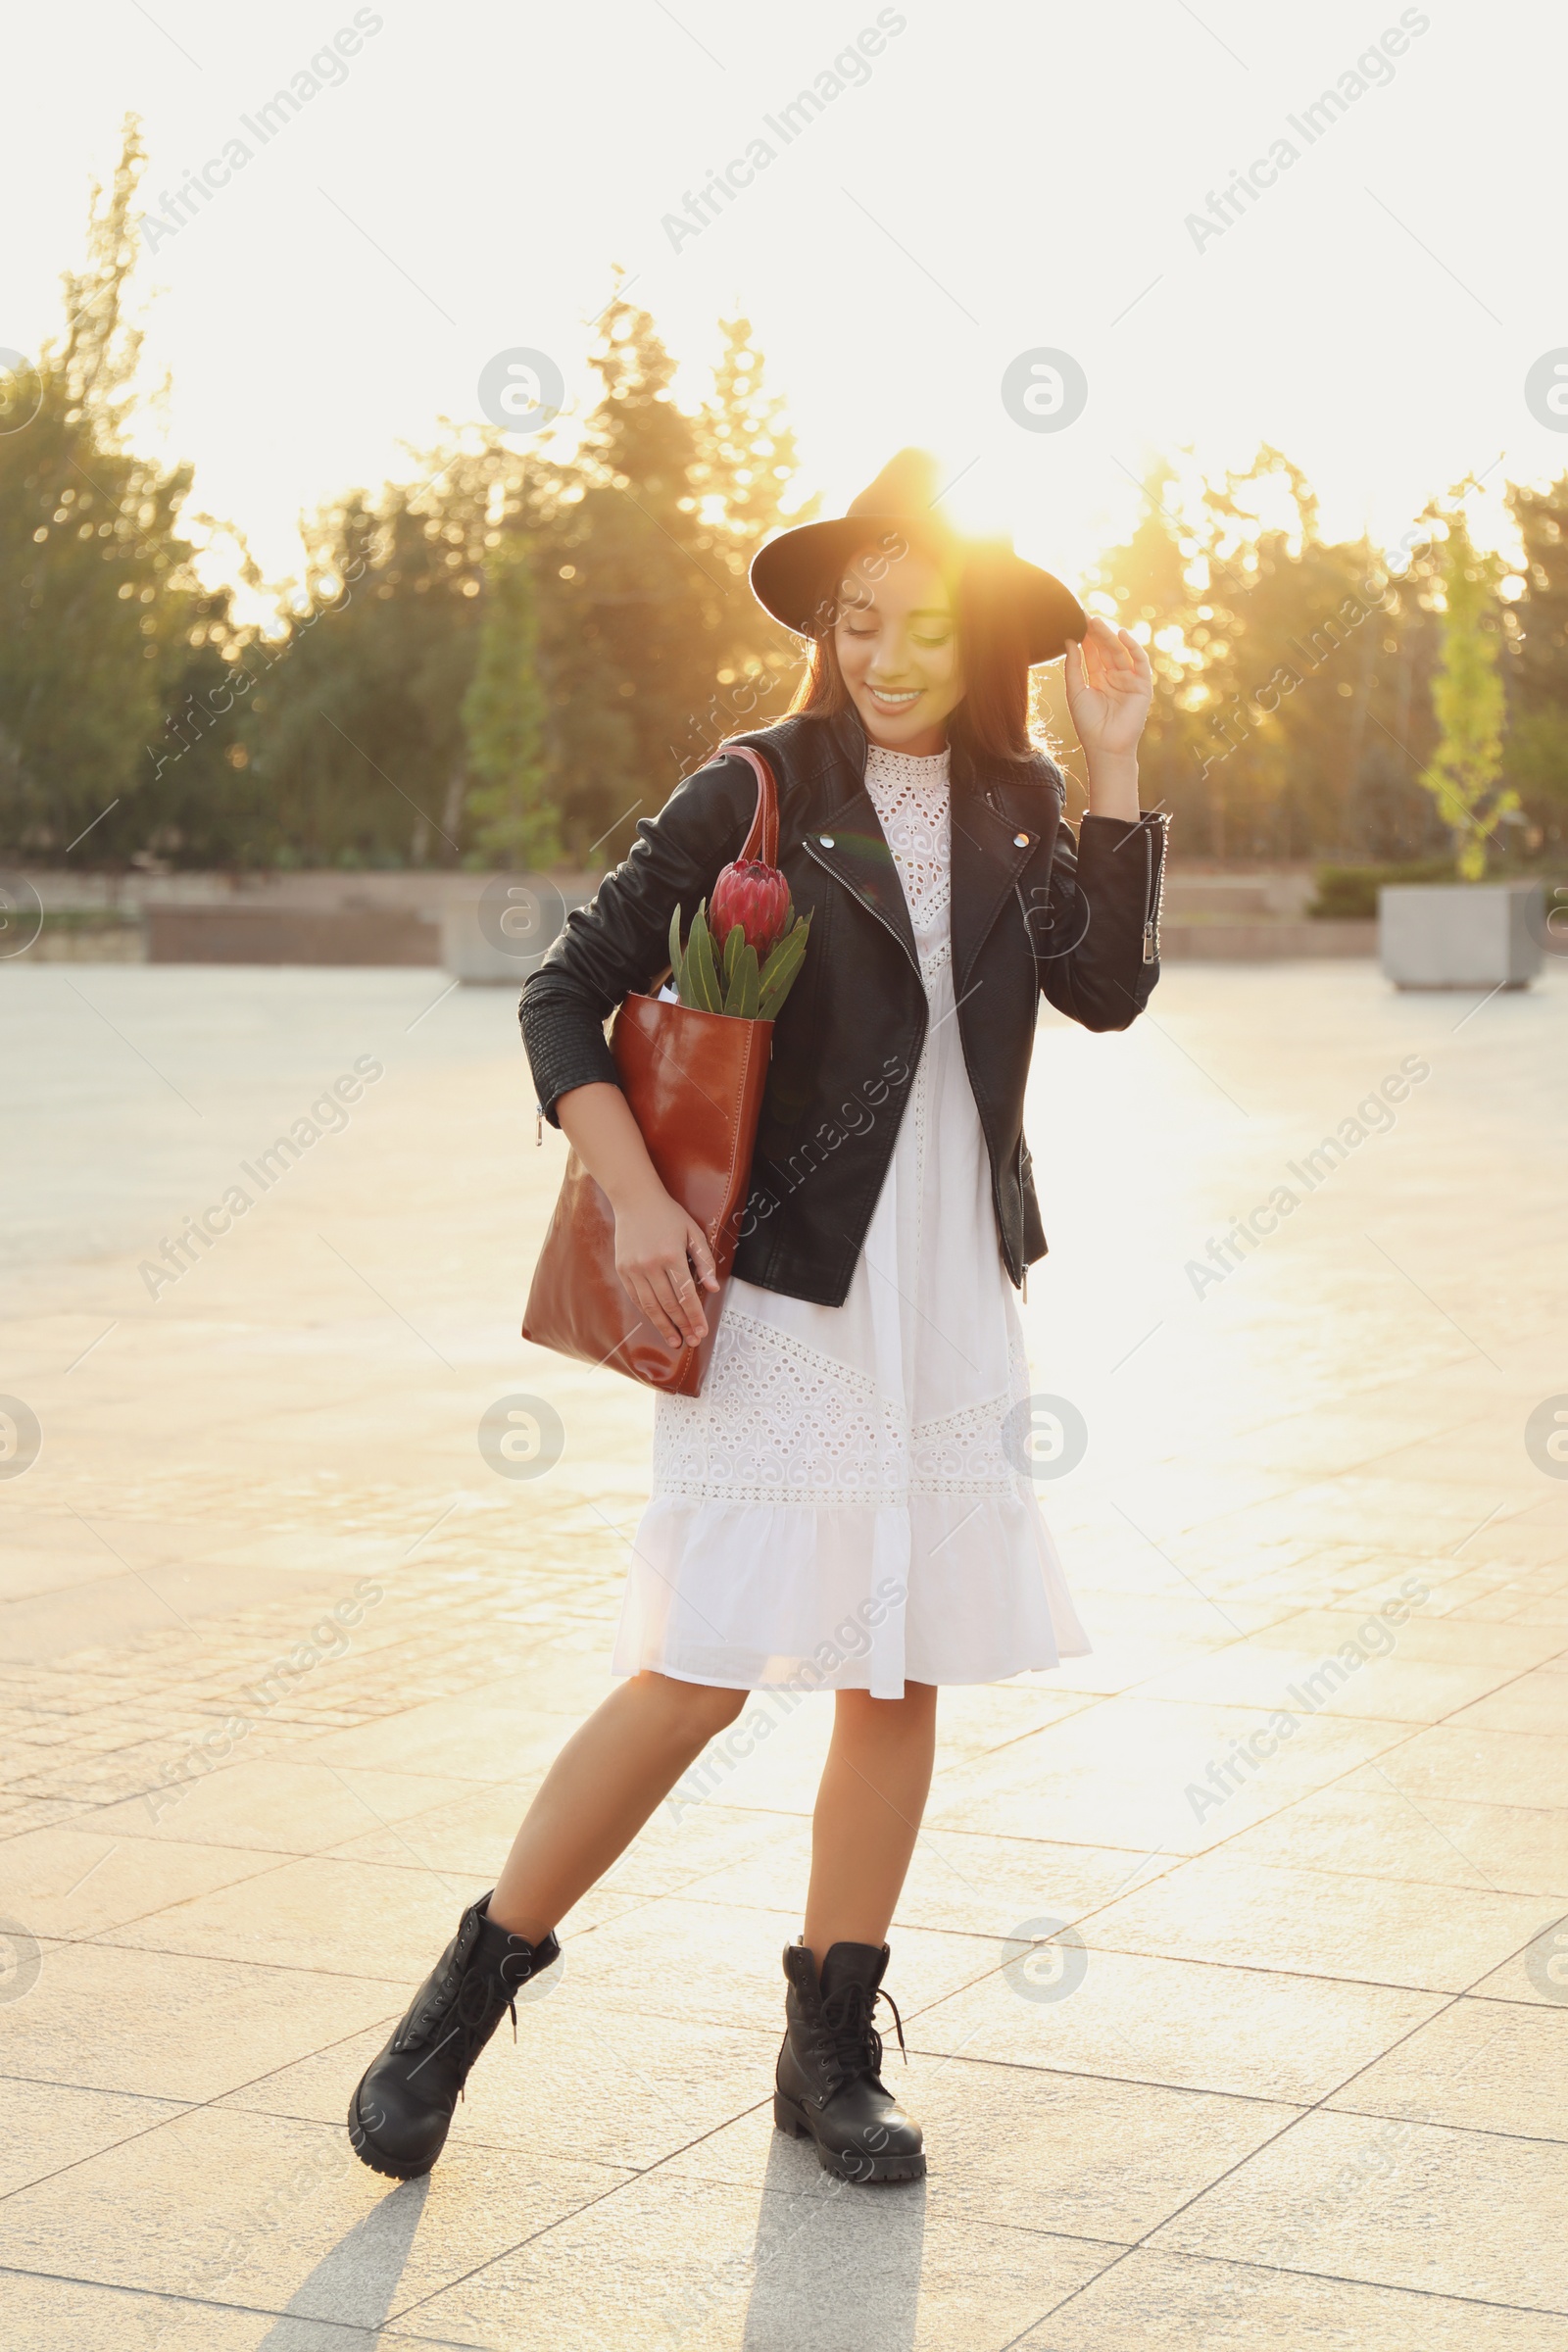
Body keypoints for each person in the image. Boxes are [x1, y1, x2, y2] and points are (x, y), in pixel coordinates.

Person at [347, 448, 1164, 2188]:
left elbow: (1104, 990)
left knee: (900, 1660)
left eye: (923, 629)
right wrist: (638, 1202)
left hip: (950, 1283)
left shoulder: (1021, 803)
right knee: (701, 1664)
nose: (884, 657)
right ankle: (465, 1990)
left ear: (980, 642)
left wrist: (1115, 764)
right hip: (788, 1289)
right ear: (829, 629)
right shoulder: (756, 788)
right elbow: (567, 991)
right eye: (859, 622)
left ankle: (826, 2051)